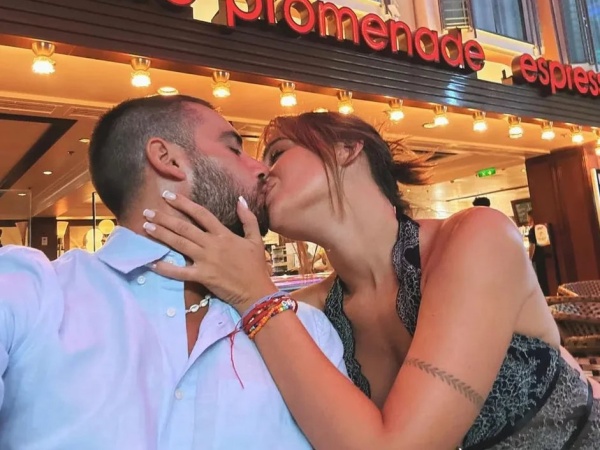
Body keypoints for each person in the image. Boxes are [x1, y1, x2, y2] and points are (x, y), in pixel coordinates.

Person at [146, 111, 599, 449]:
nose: (262, 172)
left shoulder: (476, 237)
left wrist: (257, 296)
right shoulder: (312, 312)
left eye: (278, 153)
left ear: (347, 149)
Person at [0, 96, 345, 449]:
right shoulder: (29, 291)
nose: (262, 169)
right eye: (234, 150)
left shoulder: (308, 329)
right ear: (168, 159)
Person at [528, 210, 550, 295]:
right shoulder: (544, 227)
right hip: (545, 256)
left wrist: (529, 259)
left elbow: (532, 246)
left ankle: (544, 296)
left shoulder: (532, 230)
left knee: (540, 280)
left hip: (537, 258)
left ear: (531, 218)